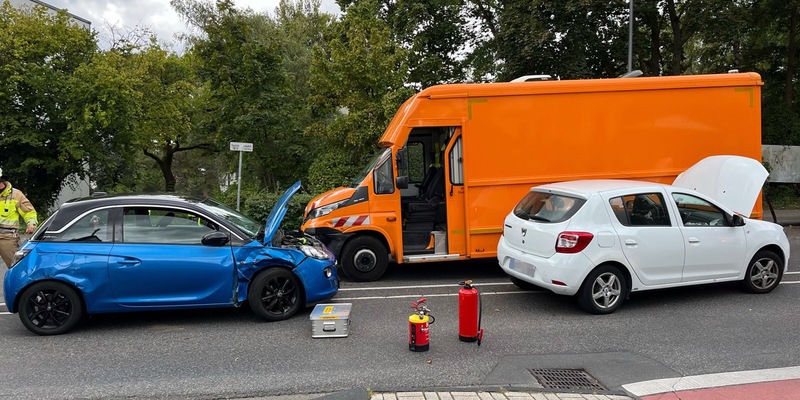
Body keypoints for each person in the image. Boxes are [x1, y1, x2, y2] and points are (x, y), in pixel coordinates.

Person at [0, 168, 38, 268]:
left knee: (17, 267)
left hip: (7, 237)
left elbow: (28, 211)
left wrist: (31, 224)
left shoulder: (15, 195)